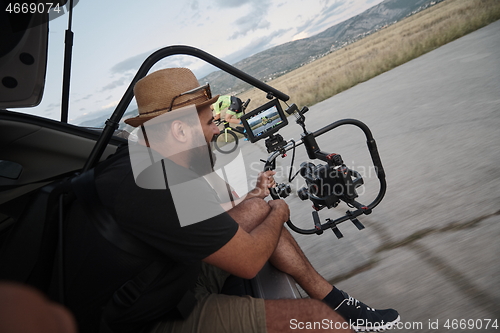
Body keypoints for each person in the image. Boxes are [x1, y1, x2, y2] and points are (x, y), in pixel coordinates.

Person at [63, 67, 399, 333]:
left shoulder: (143, 161)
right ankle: (331, 312)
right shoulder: (160, 184)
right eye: (210, 123)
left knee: (263, 214)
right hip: (140, 320)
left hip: (164, 278)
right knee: (316, 320)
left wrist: (258, 198)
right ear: (180, 131)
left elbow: (209, 225)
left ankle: (336, 300)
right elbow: (249, 260)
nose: (216, 131)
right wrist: (280, 210)